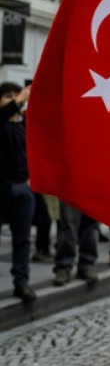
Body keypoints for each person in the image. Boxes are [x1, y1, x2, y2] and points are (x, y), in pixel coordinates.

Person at [0, 82, 35, 302]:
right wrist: (19, 99)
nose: (12, 99)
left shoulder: (24, 126)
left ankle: (21, 282)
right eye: (7, 96)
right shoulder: (1, 121)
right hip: (1, 188)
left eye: (14, 95)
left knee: (22, 240)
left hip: (23, 188)